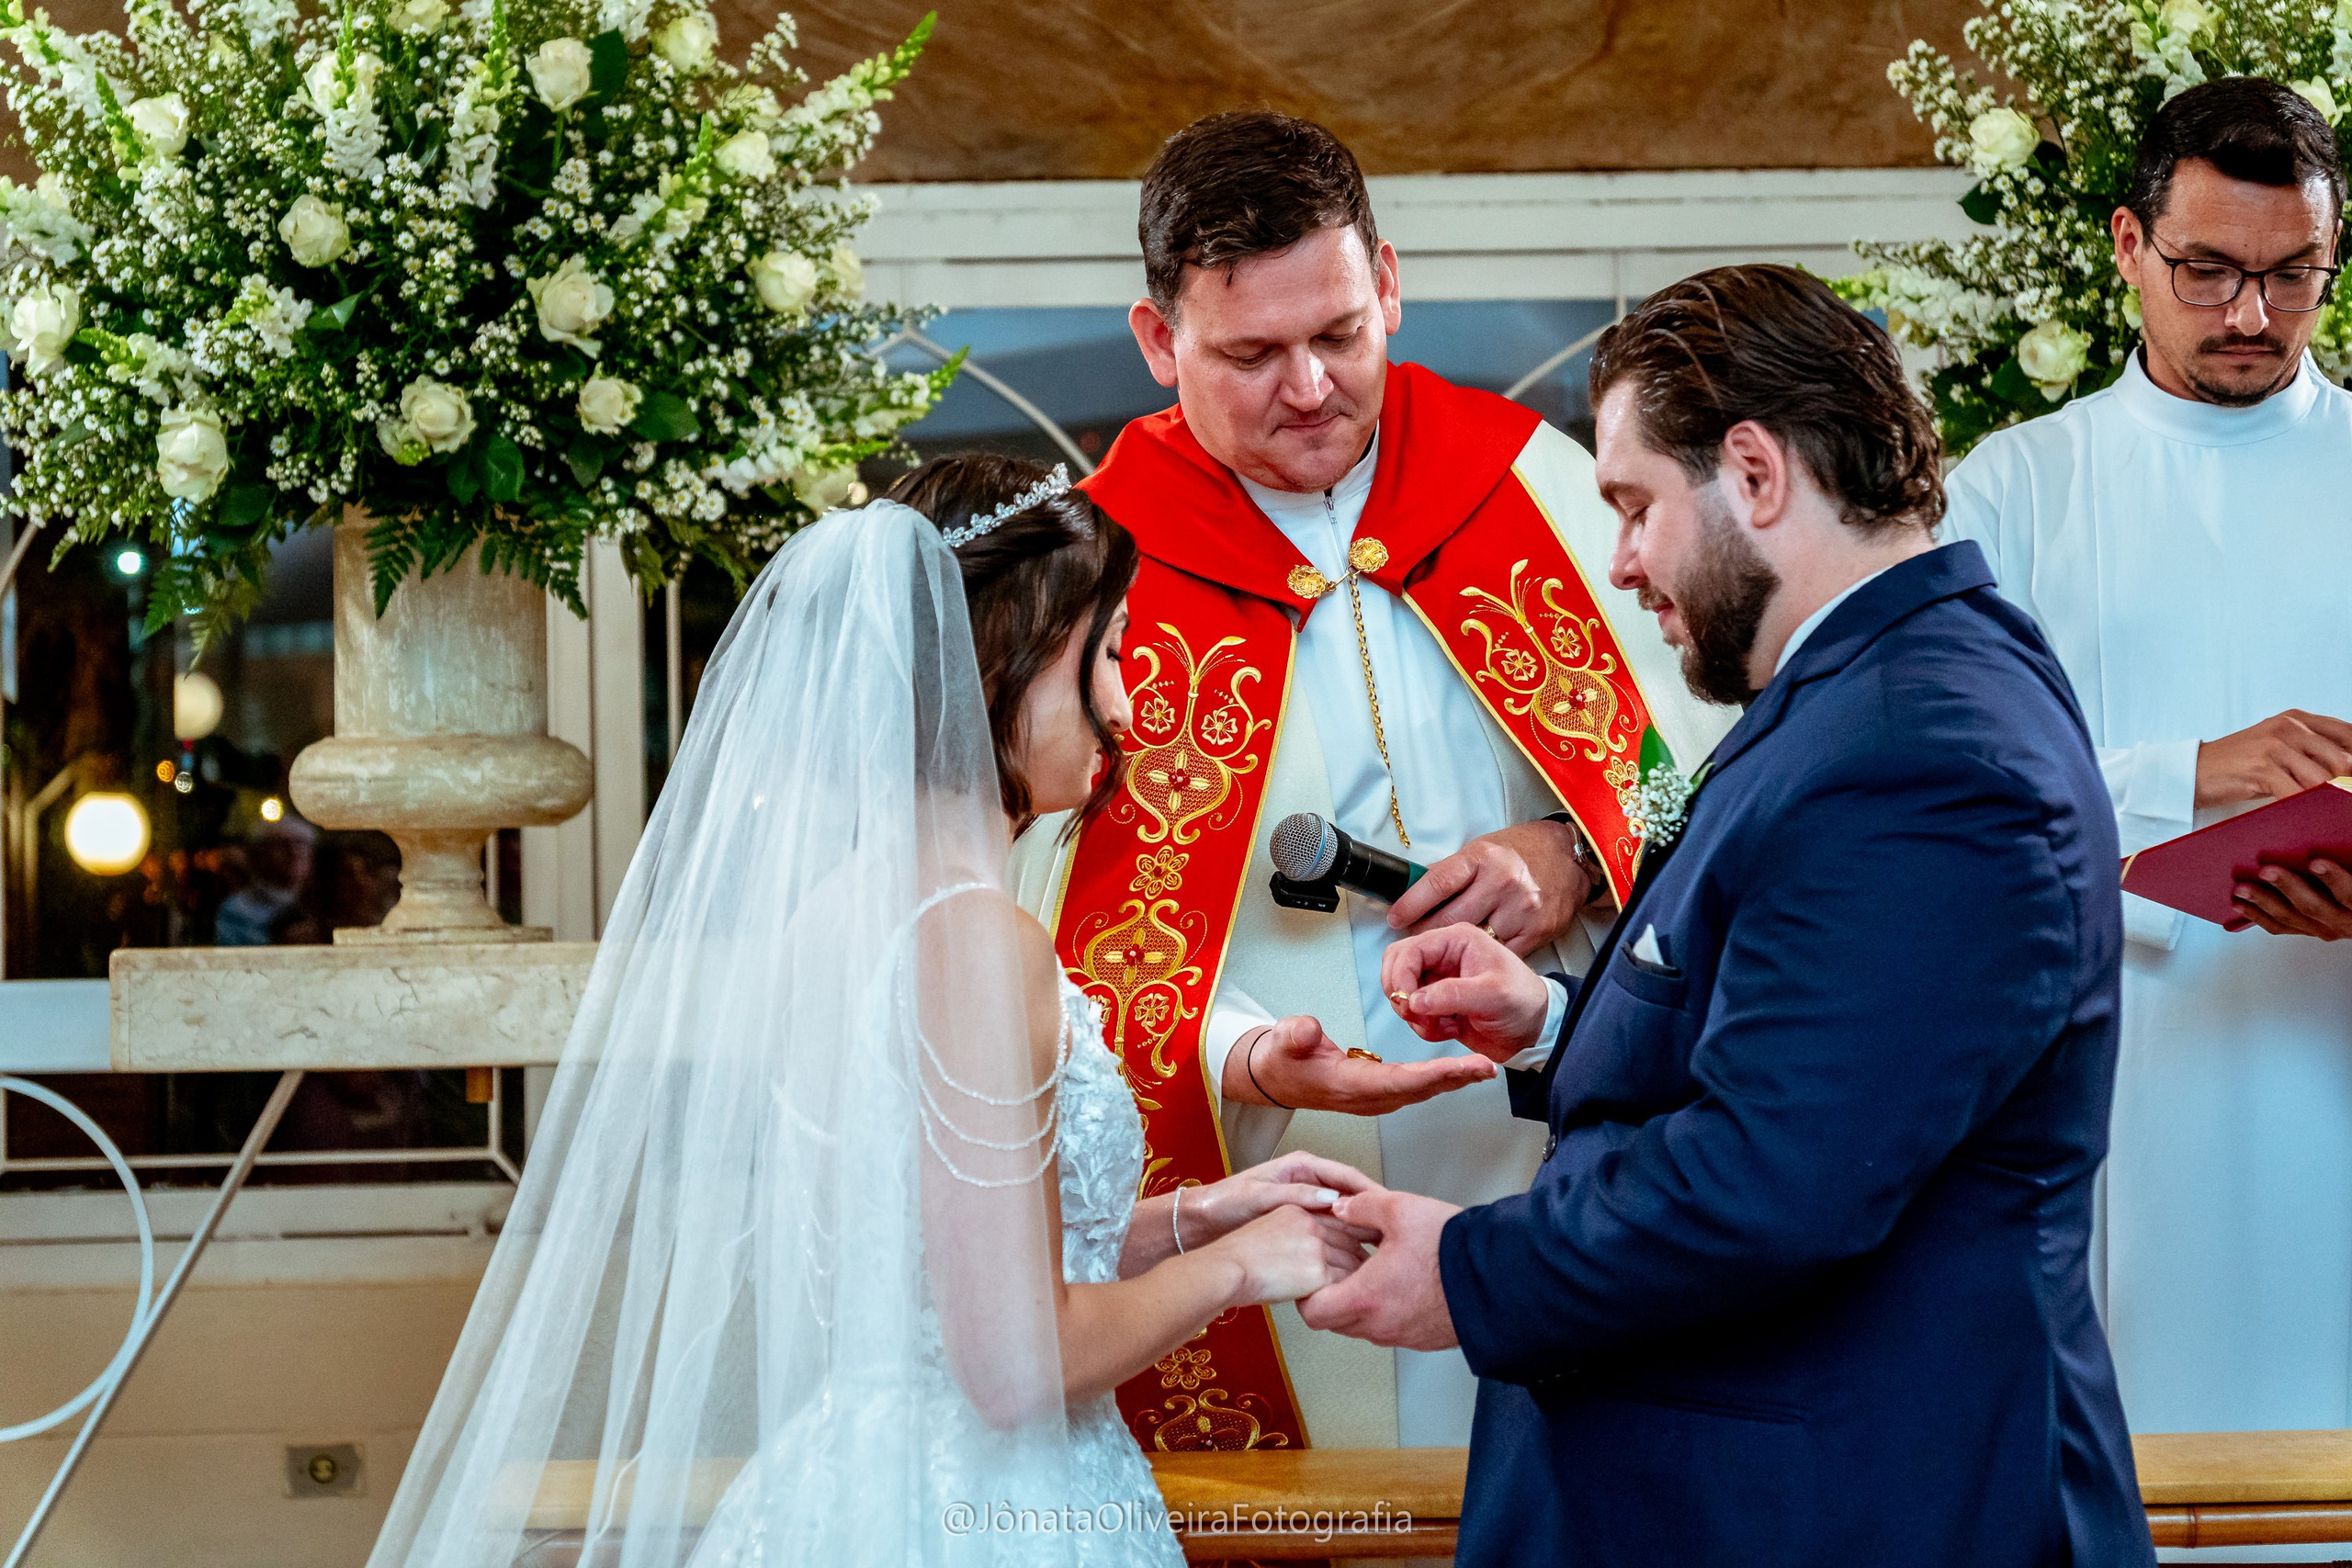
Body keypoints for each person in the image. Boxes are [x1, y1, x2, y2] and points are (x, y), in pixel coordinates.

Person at [368, 456, 1374, 1568]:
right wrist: (1245, 1266)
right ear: (1006, 654)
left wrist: (1192, 1219)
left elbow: (926, 1262)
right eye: (1112, 652)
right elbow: (1012, 1367)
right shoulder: (976, 940)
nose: (1129, 707)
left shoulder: (840, 912)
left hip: (849, 1478)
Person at [1299, 266, 2153, 1567]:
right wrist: (1558, 1022)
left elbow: (1777, 1176)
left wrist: (1467, 1273)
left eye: (1635, 506)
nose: (1623, 562)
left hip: (1846, 1503)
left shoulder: (1920, 750)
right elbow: (1812, 1039)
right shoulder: (1865, 691)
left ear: (1753, 473)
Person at [1009, 109, 1731, 1454]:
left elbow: (1704, 780)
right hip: (1265, 1162)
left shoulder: (1544, 487)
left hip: (1548, 1138)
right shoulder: (1094, 572)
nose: (1309, 388)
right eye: (1250, 354)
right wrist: (1237, 1049)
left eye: (1340, 333)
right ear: (1158, 341)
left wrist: (1573, 856)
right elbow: (1040, 920)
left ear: (1389, 284)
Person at [1942, 77, 2352, 1438]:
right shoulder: (2011, 490)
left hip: (2335, 1042)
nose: (2253, 316)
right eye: (2209, 271)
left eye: (2293, 275)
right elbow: (1944, 780)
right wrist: (2186, 776)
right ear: (2129, 245)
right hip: (2110, 1050)